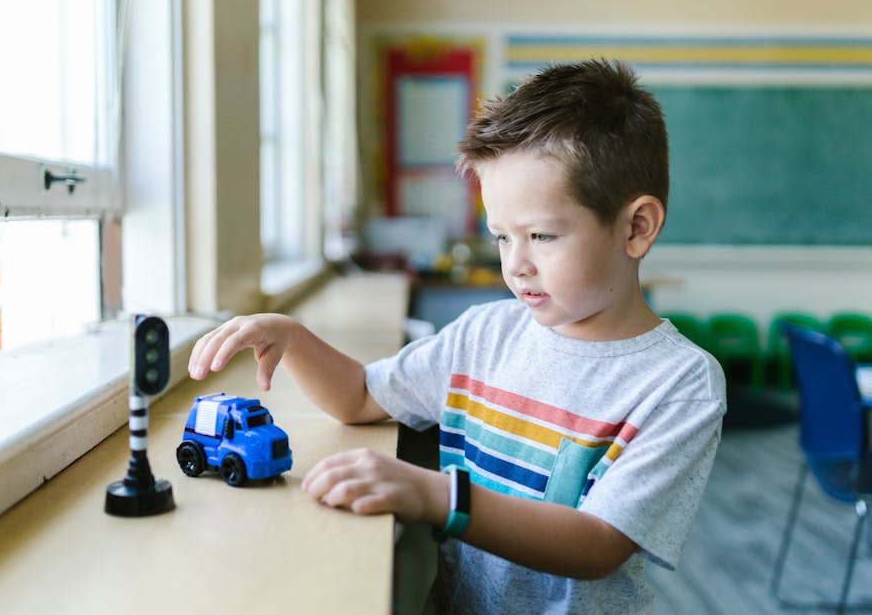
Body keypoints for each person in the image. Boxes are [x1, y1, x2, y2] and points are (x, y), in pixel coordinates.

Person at [188, 59, 726, 614]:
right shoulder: (483, 335)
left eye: (542, 235)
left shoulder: (679, 382)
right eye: (501, 237)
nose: (515, 265)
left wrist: (434, 495)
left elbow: (597, 544)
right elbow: (361, 396)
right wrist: (294, 337)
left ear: (637, 227)